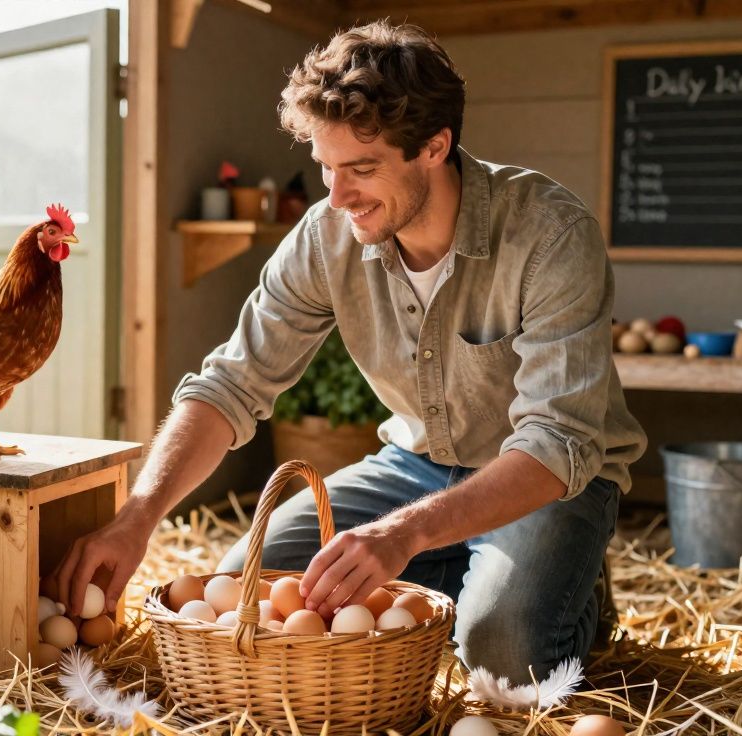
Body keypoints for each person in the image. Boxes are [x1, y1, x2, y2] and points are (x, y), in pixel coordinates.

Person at [53, 19, 646, 684]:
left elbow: (555, 443)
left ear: (434, 146)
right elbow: (231, 384)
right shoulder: (327, 233)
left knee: (497, 657)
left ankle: (573, 582)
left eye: (362, 169)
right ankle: (464, 567)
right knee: (242, 594)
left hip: (548, 483)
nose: (337, 198)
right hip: (414, 467)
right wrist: (138, 517)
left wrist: (405, 535)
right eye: (327, 168)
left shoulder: (550, 234)